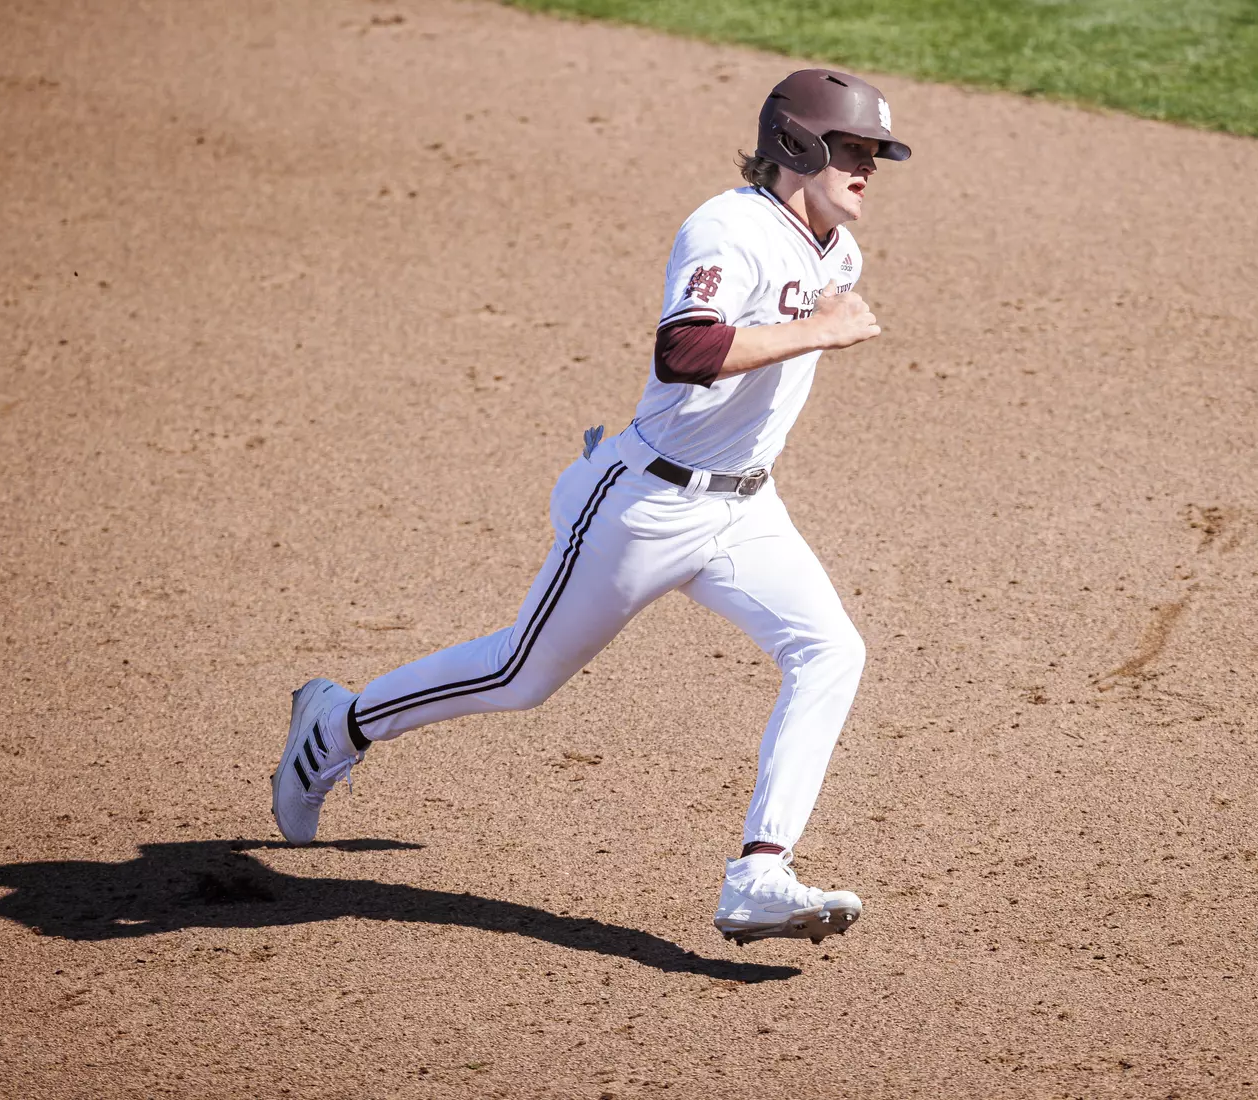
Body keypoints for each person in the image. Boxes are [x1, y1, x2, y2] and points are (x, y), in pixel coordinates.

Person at [272, 69, 911, 946]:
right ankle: (338, 724)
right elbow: (684, 350)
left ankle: (760, 874)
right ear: (798, 145)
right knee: (518, 677)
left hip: (747, 513)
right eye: (853, 149)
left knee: (831, 651)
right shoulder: (726, 227)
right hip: (645, 506)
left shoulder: (838, 252)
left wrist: (819, 320)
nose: (868, 167)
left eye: (876, 153)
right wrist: (819, 330)